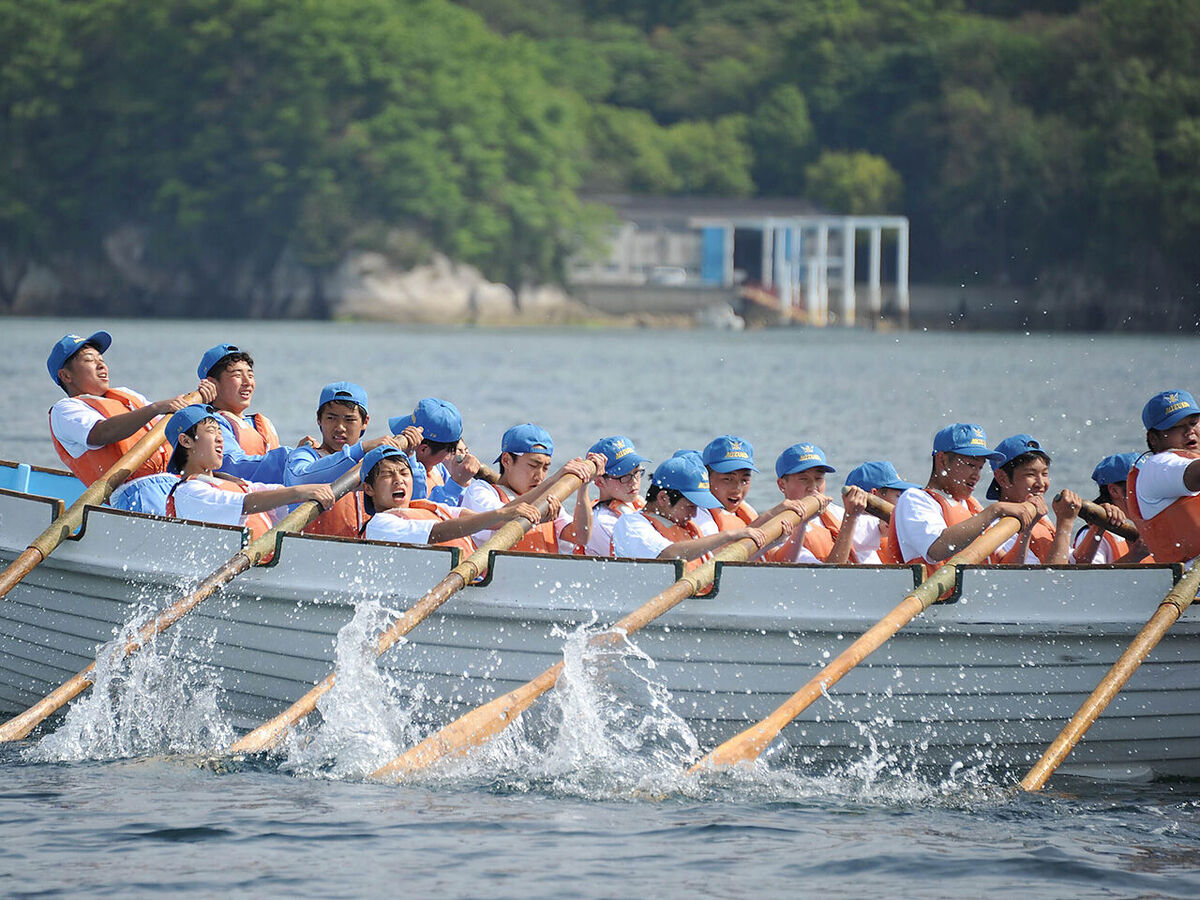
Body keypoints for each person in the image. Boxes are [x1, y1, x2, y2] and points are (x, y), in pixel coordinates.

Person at [47, 330, 216, 515]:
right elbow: (102, 433)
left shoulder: (127, 395)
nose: (101, 365)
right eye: (89, 360)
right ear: (66, 376)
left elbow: (175, 429)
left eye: (101, 359)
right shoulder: (65, 409)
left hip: (175, 482)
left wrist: (202, 403)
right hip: (136, 493)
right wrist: (155, 408)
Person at [163, 404, 334, 539]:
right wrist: (299, 491)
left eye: (220, 432)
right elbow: (246, 503)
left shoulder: (232, 483)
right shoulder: (189, 492)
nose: (220, 438)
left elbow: (272, 491)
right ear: (186, 441)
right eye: (210, 431)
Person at [885, 423, 1038, 567]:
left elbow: (1006, 567)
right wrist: (994, 510)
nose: (977, 475)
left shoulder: (972, 507)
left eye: (980, 467)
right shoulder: (915, 500)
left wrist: (1026, 531)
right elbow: (936, 549)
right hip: (940, 595)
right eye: (971, 465)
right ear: (942, 460)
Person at [284, 382, 418, 538]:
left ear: (365, 422)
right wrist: (361, 448)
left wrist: (410, 458)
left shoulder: (379, 464)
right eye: (331, 418)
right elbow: (301, 479)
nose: (340, 427)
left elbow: (413, 502)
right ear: (319, 420)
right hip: (312, 550)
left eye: (349, 420)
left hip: (365, 552)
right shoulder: (303, 456)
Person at [359, 446, 539, 556]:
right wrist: (502, 513)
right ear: (368, 489)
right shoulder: (379, 524)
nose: (399, 480)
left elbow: (493, 521)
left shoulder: (432, 507)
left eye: (405, 473)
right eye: (388, 475)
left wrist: (540, 507)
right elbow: (437, 533)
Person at [459, 423, 601, 554]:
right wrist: (554, 479)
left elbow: (580, 537)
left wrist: (583, 488)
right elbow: (499, 519)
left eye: (546, 468)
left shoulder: (549, 499)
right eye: (533, 465)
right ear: (507, 460)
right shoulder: (481, 491)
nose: (540, 476)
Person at [611, 457, 766, 562]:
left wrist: (767, 544)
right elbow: (668, 555)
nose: (694, 514)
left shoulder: (687, 528)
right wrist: (728, 535)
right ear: (663, 498)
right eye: (691, 506)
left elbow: (718, 562)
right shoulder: (631, 525)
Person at [195, 343, 290, 483]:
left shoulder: (258, 423)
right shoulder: (210, 424)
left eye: (250, 375)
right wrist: (291, 458)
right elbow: (233, 466)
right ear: (212, 384)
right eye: (237, 375)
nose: (247, 382)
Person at [764, 443, 872, 564]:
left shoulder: (835, 511)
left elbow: (881, 528)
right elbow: (828, 577)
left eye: (818, 478)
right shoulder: (781, 528)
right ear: (782, 485)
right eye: (803, 479)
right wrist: (851, 518)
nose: (813, 487)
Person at [984, 434, 1083, 565]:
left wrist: (1096, 529)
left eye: (1045, 474)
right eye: (1030, 474)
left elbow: (1071, 562)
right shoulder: (999, 526)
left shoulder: (1042, 520)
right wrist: (1065, 523)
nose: (1041, 483)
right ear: (1002, 478)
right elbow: (1050, 579)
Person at [1126, 390, 1200, 562]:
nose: (1189, 432)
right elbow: (1196, 476)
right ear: (1154, 439)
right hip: (1192, 582)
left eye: (1193, 422)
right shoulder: (1156, 466)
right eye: (1175, 427)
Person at [388, 398, 480, 507]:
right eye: (449, 451)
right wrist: (456, 483)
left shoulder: (439, 469)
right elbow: (423, 512)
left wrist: (463, 483)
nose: (450, 455)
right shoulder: (400, 476)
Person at [1072, 453, 1150, 564]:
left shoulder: (1151, 528)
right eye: (1141, 486)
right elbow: (1089, 579)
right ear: (1114, 491)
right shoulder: (1093, 535)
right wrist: (1135, 555)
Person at [839, 461, 922, 565]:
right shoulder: (855, 527)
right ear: (874, 495)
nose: (901, 502)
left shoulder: (873, 542)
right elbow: (868, 526)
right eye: (898, 496)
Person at [581, 435, 652, 556]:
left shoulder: (635, 504)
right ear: (599, 482)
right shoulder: (601, 523)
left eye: (636, 472)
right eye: (624, 476)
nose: (634, 481)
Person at [693, 435, 760, 535]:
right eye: (728, 479)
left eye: (744, 480)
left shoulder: (746, 509)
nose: (737, 489)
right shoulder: (698, 516)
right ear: (706, 477)